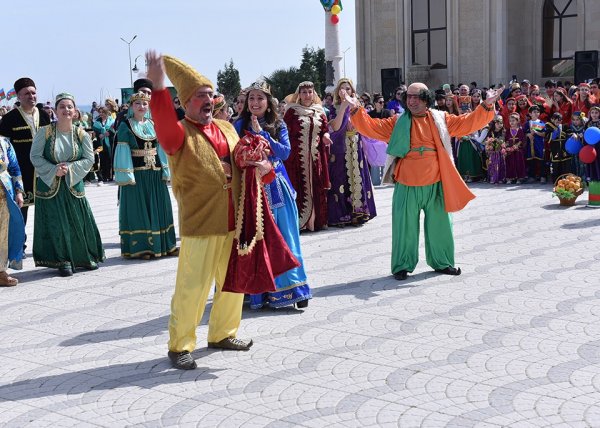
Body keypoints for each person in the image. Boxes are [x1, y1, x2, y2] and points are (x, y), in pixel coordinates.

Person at [146, 51, 254, 370]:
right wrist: (157, 86)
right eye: (200, 96)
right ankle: (180, 345)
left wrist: (257, 164)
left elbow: (243, 162)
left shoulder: (227, 128)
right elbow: (163, 121)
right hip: (201, 221)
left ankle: (223, 333)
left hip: (235, 219)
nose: (208, 100)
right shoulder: (179, 132)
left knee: (233, 281)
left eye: (210, 94)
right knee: (192, 287)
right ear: (186, 102)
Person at [348, 83, 500, 280]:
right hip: (406, 183)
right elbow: (373, 127)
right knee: (404, 227)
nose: (411, 101)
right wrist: (355, 110)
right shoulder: (397, 121)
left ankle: (443, 262)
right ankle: (402, 265)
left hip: (436, 182)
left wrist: (486, 106)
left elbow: (467, 122)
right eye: (408, 97)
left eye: (416, 97)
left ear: (426, 99)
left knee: (441, 226)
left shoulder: (441, 119)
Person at [234, 81, 311, 309]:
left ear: (268, 103)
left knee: (286, 237)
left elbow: (285, 153)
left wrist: (262, 135)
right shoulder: (238, 125)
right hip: (251, 189)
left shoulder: (278, 124)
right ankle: (258, 292)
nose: (255, 102)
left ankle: (294, 289)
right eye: (251, 98)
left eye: (260, 98)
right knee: (257, 239)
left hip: (276, 187)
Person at [30, 93, 105, 277]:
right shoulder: (44, 132)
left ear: (75, 111)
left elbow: (88, 158)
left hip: (73, 183)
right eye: (62, 107)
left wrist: (70, 168)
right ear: (55, 111)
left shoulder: (81, 134)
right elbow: (35, 156)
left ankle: (84, 257)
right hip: (51, 184)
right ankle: (62, 260)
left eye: (69, 107)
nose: (66, 110)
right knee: (57, 223)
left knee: (78, 220)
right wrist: (53, 169)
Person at [113, 91, 177, 259]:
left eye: (144, 103)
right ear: (132, 106)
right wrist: (127, 174)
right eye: (137, 103)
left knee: (160, 206)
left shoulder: (153, 124)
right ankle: (143, 247)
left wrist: (166, 169)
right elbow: (122, 150)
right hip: (138, 175)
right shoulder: (125, 125)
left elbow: (161, 148)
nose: (141, 106)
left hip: (155, 174)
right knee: (139, 209)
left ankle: (165, 244)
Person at [0, 78, 51, 232]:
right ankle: (19, 245)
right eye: (26, 93)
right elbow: (4, 149)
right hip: (22, 173)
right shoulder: (9, 119)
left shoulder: (44, 115)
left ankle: (48, 245)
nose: (31, 96)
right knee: (21, 209)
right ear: (18, 96)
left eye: (33, 92)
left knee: (48, 210)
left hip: (44, 171)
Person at [327, 78, 377, 227]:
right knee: (340, 179)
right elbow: (335, 128)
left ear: (352, 91)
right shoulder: (333, 108)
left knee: (358, 177)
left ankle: (358, 213)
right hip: (340, 148)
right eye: (342, 89)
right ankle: (342, 214)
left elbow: (364, 125)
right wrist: (343, 106)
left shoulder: (358, 107)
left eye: (348, 89)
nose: (345, 91)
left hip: (356, 146)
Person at [283, 81, 332, 232]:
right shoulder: (291, 112)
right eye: (304, 92)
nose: (307, 95)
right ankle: (300, 223)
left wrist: (326, 135)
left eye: (310, 92)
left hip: (315, 157)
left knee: (316, 185)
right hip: (297, 158)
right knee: (299, 186)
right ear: (299, 94)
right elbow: (284, 132)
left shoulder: (319, 111)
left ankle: (316, 222)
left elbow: (325, 129)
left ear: (314, 94)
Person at [0, 136, 25, 286]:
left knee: (3, 233)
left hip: (4, 194)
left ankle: (1, 271)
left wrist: (19, 191)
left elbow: (15, 167)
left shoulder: (5, 142)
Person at [92, 107, 115, 183]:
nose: (101, 114)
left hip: (110, 143)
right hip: (100, 143)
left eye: (103, 112)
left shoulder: (112, 121)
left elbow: (114, 130)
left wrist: (108, 133)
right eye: (100, 112)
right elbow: (95, 130)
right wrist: (99, 135)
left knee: (110, 158)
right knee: (101, 159)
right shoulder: (97, 122)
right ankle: (103, 176)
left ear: (107, 113)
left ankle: (110, 176)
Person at [504, 113, 527, 184]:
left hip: (518, 150)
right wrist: (507, 147)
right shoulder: (508, 131)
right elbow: (506, 140)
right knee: (510, 163)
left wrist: (515, 147)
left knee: (518, 163)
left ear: (517, 121)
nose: (511, 122)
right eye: (510, 121)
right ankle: (511, 177)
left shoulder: (520, 130)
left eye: (513, 121)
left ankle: (519, 178)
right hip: (510, 150)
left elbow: (521, 140)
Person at [485, 116, 507, 185]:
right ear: (494, 124)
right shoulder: (491, 132)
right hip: (493, 153)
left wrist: (501, 143)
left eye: (501, 123)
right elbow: (487, 141)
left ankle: (501, 178)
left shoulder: (503, 131)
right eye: (498, 123)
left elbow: (504, 141)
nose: (500, 125)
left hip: (500, 152)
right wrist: (489, 144)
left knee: (501, 165)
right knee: (493, 165)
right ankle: (493, 178)